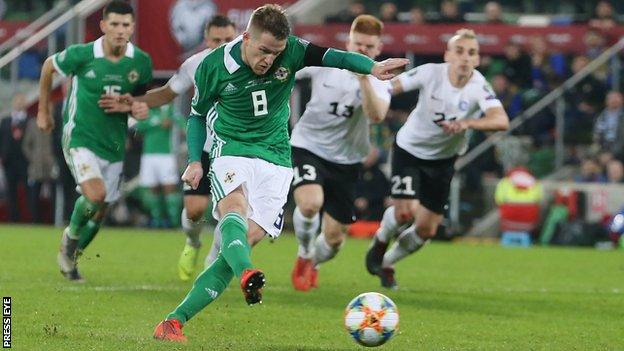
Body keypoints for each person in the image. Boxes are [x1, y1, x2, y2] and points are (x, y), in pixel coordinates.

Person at [151, 4, 408, 342]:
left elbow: (337, 58)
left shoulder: (293, 51)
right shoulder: (213, 66)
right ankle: (246, 272)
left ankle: (173, 322)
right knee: (235, 208)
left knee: (243, 243)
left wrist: (372, 67)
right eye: (263, 50)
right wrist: (197, 160)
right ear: (246, 37)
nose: (269, 60)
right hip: (233, 149)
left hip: (276, 160)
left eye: (276, 53)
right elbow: (197, 115)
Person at [365, 29, 510, 289]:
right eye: (459, 51)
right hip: (409, 150)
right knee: (404, 212)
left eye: (472, 53)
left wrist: (467, 123)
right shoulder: (431, 72)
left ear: (477, 60)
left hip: (443, 161)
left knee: (426, 230)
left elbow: (501, 120)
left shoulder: (479, 85)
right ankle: (380, 242)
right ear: (448, 55)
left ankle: (387, 262)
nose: (465, 58)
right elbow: (393, 86)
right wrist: (378, 92)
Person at [99, 15, 237, 282]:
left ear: (238, 38)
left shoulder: (250, 63)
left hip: (235, 151)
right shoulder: (195, 65)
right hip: (205, 149)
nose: (222, 45)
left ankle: (213, 259)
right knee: (195, 210)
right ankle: (193, 243)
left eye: (228, 40)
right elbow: (165, 93)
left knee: (229, 210)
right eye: (216, 40)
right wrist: (132, 101)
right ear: (206, 41)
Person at [37, 1, 153, 282]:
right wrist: (43, 111)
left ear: (132, 27)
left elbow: (141, 99)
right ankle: (69, 237)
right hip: (80, 137)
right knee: (95, 195)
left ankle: (70, 258)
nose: (119, 30)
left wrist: (135, 108)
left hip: (113, 144)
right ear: (103, 26)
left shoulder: (141, 62)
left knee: (100, 212)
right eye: (113, 24)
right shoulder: (83, 54)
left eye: (125, 25)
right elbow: (48, 67)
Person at [288, 15, 392, 291]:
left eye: (369, 47)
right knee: (310, 204)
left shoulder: (381, 79)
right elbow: (288, 69)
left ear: (378, 48)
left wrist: (364, 79)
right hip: (307, 146)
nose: (363, 50)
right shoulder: (327, 65)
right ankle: (304, 253)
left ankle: (315, 262)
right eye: (358, 44)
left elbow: (377, 115)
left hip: (347, 160)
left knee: (334, 240)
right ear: (348, 42)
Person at [135, 103, 182, 228]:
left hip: (166, 154)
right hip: (148, 155)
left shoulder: (170, 109)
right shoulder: (147, 110)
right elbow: (138, 128)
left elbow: (182, 124)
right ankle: (157, 221)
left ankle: (174, 222)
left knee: (170, 187)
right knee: (152, 188)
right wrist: (156, 124)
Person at [22, 103, 57, 223]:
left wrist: (55, 158)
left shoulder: (57, 122)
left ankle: (54, 221)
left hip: (53, 165)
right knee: (34, 196)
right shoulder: (32, 123)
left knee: (55, 196)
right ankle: (35, 222)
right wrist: (33, 158)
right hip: (36, 167)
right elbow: (26, 145)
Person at [0, 93, 30, 222]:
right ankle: (13, 219)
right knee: (10, 192)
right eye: (16, 101)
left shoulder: (30, 120)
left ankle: (30, 219)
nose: (18, 103)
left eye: (21, 100)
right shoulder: (5, 121)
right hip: (9, 162)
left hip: (25, 162)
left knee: (28, 192)